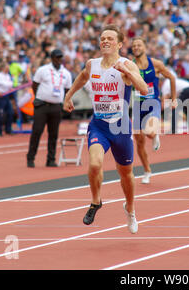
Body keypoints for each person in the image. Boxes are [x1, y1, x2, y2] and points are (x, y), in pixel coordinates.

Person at [63, 25, 148, 234]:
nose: (105, 41)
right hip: (99, 126)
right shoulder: (92, 64)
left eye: (110, 38)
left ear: (119, 44)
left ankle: (130, 208)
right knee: (94, 163)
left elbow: (144, 88)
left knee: (126, 174)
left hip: (121, 128)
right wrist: (69, 95)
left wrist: (128, 72)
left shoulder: (126, 64)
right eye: (102, 38)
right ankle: (95, 201)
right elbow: (83, 76)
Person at [131, 37, 177, 184]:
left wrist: (174, 99)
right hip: (138, 105)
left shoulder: (155, 64)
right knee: (139, 142)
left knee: (149, 132)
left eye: (139, 45)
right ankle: (147, 171)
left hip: (153, 103)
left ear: (145, 47)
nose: (136, 47)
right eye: (134, 46)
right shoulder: (130, 65)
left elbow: (171, 78)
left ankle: (155, 134)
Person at [26, 49, 72, 168]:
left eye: (60, 57)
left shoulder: (66, 73)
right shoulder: (43, 70)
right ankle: (30, 158)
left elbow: (67, 90)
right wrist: (37, 97)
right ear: (52, 58)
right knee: (37, 131)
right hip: (42, 105)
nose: (59, 59)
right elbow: (35, 84)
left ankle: (51, 159)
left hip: (56, 106)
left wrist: (63, 102)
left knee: (53, 134)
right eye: (57, 57)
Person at [0, 59, 14, 137]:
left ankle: (8, 129)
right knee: (0, 114)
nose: (8, 69)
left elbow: (9, 85)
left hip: (6, 96)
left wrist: (11, 89)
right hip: (0, 96)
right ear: (3, 68)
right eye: (7, 68)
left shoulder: (8, 76)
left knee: (10, 112)